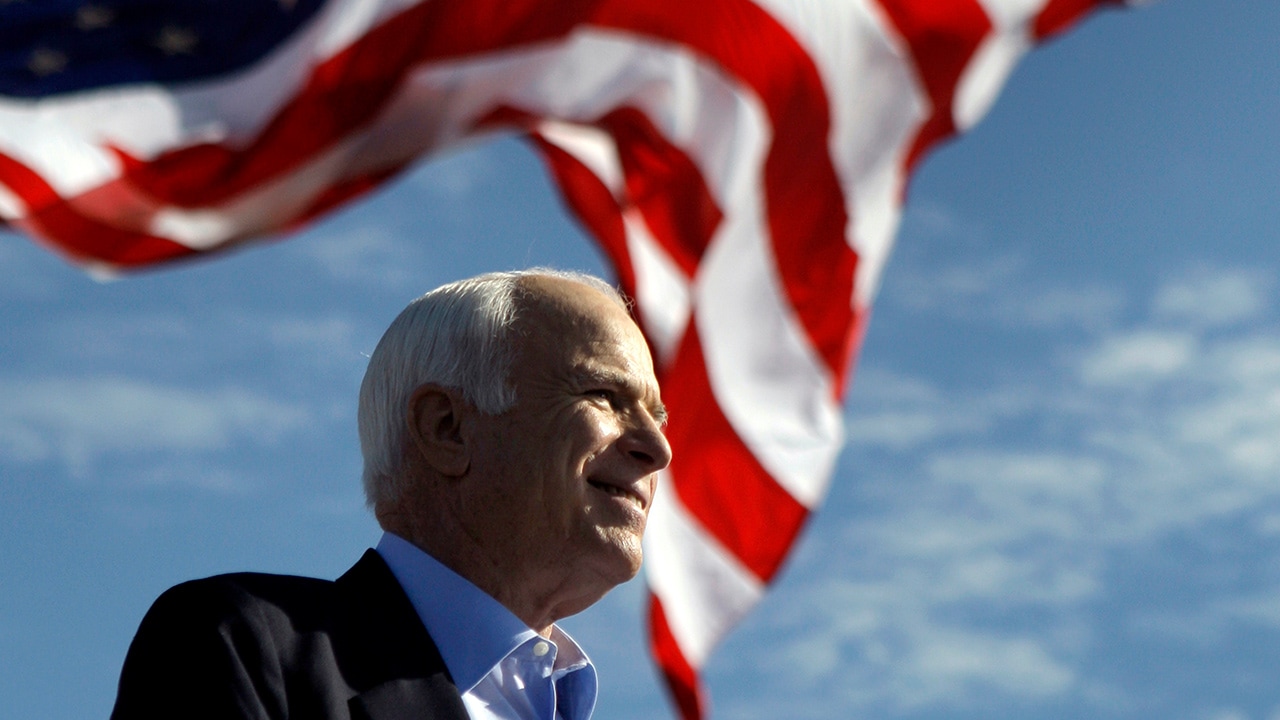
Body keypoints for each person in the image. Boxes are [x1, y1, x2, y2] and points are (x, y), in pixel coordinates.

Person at [110, 269, 672, 720]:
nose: (657, 448)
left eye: (658, 416)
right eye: (603, 395)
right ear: (446, 428)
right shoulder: (241, 648)